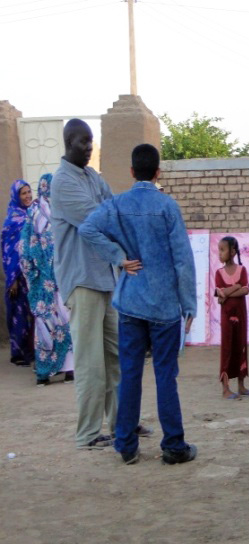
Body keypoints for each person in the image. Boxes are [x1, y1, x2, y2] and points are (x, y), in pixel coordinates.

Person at [79, 143, 198, 465]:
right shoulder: (167, 207)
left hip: (130, 304)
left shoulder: (116, 205)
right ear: (158, 172)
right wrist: (189, 305)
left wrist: (119, 258)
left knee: (130, 374)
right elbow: (183, 261)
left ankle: (126, 446)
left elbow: (87, 228)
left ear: (132, 172)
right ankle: (173, 446)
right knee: (165, 376)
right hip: (164, 307)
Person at [51, 118, 151, 449]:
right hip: (82, 280)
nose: (89, 147)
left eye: (91, 140)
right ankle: (89, 434)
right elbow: (98, 218)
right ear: (68, 142)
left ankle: (124, 425)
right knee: (91, 363)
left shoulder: (92, 176)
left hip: (106, 279)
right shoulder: (63, 182)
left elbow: (113, 207)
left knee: (117, 358)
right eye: (83, 141)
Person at [19, 173, 74, 386]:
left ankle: (49, 373)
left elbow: (24, 250)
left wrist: (31, 274)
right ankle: (64, 371)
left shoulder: (37, 212)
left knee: (49, 324)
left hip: (46, 282)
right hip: (56, 280)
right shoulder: (56, 212)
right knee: (61, 322)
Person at [215, 235, 249, 400]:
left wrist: (228, 291)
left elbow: (246, 290)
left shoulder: (242, 270)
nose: (220, 253)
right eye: (219, 250)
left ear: (232, 251)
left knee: (240, 347)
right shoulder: (219, 273)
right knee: (227, 348)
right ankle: (225, 388)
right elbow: (219, 294)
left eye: (223, 250)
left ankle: (241, 385)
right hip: (226, 317)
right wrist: (236, 286)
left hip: (241, 316)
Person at [2, 179, 34, 366]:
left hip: (33, 273)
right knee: (19, 313)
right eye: (23, 193)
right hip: (18, 276)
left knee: (34, 312)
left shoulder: (34, 214)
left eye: (29, 192)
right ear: (16, 196)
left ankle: (32, 350)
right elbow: (9, 251)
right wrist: (12, 278)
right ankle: (18, 353)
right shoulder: (12, 219)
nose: (28, 196)